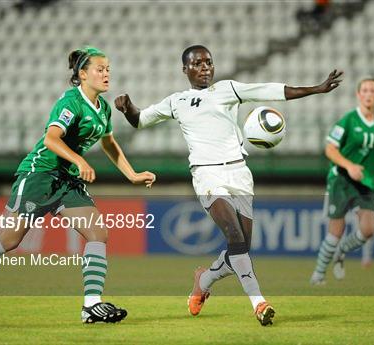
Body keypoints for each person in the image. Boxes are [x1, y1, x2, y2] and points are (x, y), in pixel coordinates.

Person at [114, 45, 342, 326]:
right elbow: (140, 119)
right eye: (197, 63)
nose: (205, 67)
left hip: (239, 173)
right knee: (235, 237)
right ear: (185, 69)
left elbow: (270, 91)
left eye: (209, 62)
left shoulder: (228, 89)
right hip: (207, 176)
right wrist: (127, 108)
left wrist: (315, 89)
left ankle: (204, 280)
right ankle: (259, 304)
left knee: (241, 248)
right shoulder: (177, 101)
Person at [0, 46, 156, 324]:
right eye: (100, 69)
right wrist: (80, 161)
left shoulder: (104, 109)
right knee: (9, 240)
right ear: (83, 74)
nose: (106, 73)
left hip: (67, 180)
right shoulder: (71, 102)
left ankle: (91, 305)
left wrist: (131, 174)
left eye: (108, 68)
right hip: (40, 174)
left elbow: (109, 143)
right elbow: (51, 139)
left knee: (98, 233)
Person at [310, 78, 374, 285]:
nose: (368, 94)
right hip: (342, 180)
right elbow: (330, 149)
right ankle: (318, 274)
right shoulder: (348, 120)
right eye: (364, 90)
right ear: (358, 94)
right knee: (336, 230)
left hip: (367, 183)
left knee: (369, 229)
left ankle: (342, 252)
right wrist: (349, 166)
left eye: (373, 90)